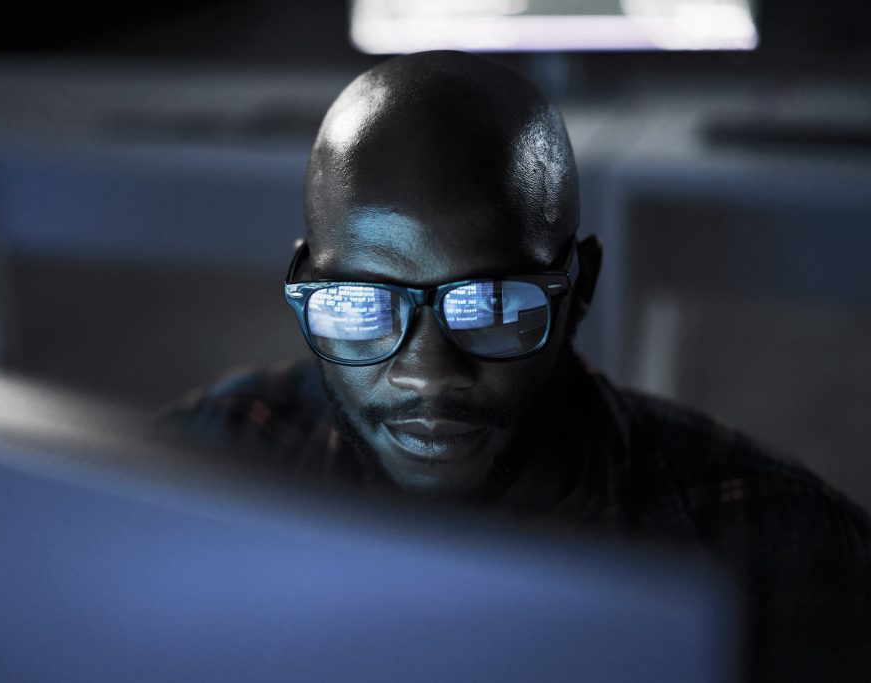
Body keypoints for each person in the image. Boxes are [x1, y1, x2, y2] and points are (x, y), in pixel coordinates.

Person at [161, 51, 870, 680]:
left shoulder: (796, 561)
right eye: (361, 301)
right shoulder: (206, 466)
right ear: (305, 283)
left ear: (580, 287)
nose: (428, 373)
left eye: (490, 302)